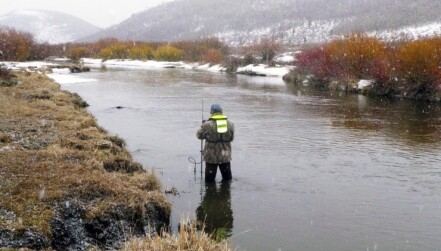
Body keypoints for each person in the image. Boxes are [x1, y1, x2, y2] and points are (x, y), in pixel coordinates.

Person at [197, 104, 234, 182]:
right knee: (227, 180)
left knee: (209, 181)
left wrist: (203, 125)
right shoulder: (230, 124)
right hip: (225, 155)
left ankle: (210, 193)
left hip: (211, 156)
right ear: (221, 112)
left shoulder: (207, 125)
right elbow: (231, 138)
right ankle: (226, 193)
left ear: (212, 112)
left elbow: (199, 136)